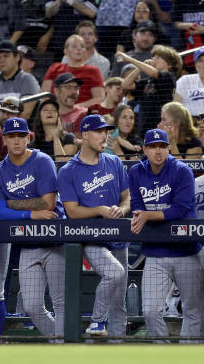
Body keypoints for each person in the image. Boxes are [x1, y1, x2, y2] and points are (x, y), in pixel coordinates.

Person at [0, 118, 66, 340]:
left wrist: (12, 203)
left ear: (28, 137)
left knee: (61, 301)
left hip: (54, 238)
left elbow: (48, 204)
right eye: (11, 136)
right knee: (32, 305)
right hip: (27, 243)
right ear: (4, 139)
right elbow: (1, 213)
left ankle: (64, 347)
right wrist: (30, 213)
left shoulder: (42, 161)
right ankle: (60, 340)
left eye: (21, 136)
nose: (16, 141)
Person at [57, 114, 130, 337]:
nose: (105, 136)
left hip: (118, 235)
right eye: (99, 132)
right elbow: (71, 211)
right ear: (85, 135)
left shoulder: (114, 161)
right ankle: (97, 321)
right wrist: (99, 210)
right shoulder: (68, 170)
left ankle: (116, 352)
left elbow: (127, 197)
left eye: (106, 131)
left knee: (119, 302)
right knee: (114, 274)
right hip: (91, 237)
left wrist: (123, 209)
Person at [129, 128, 203, 341]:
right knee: (150, 310)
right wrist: (145, 215)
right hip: (155, 252)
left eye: (162, 146)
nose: (158, 151)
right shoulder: (136, 172)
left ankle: (189, 356)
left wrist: (148, 215)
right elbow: (136, 206)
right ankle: (162, 353)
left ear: (169, 148)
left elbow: (179, 209)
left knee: (193, 310)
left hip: (187, 250)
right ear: (145, 149)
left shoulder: (182, 170)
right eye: (152, 147)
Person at [119, 44, 182, 134]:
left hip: (159, 127)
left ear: (169, 65)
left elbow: (154, 73)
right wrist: (139, 68)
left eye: (158, 57)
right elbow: (125, 85)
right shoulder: (148, 80)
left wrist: (129, 59)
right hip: (143, 127)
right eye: (153, 56)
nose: (153, 59)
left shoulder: (169, 77)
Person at [0, 40, 40, 131]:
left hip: (21, 134)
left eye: (6, 56)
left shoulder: (28, 80)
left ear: (17, 57)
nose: (1, 60)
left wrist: (0, 131)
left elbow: (26, 113)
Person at [42, 35, 105, 109]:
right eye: (74, 46)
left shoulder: (93, 71)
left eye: (82, 46)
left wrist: (75, 108)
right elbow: (44, 95)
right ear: (65, 51)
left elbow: (99, 98)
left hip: (82, 113)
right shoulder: (55, 68)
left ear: (85, 51)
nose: (79, 49)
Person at [174, 48, 204, 117]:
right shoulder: (185, 80)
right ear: (196, 66)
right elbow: (175, 107)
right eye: (200, 60)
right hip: (189, 123)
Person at [52, 72, 87, 137]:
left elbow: (80, 143)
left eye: (76, 88)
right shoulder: (46, 114)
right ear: (56, 91)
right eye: (68, 87)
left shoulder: (83, 114)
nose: (74, 92)